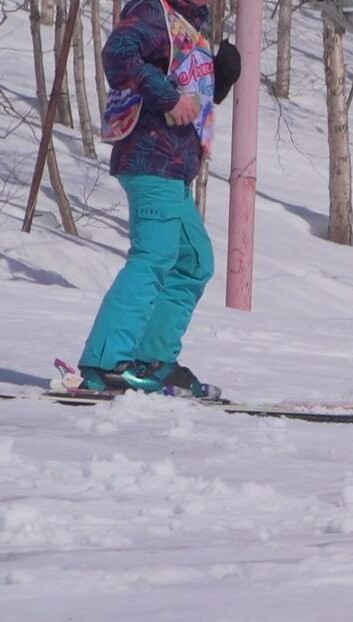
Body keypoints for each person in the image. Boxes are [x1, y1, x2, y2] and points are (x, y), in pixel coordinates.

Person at [79, 0, 240, 399]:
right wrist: (168, 97)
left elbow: (186, 92)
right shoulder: (154, 12)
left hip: (174, 167)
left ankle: (152, 359)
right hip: (150, 157)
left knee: (193, 260)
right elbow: (117, 55)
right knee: (154, 256)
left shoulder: (189, 27)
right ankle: (106, 362)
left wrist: (216, 85)